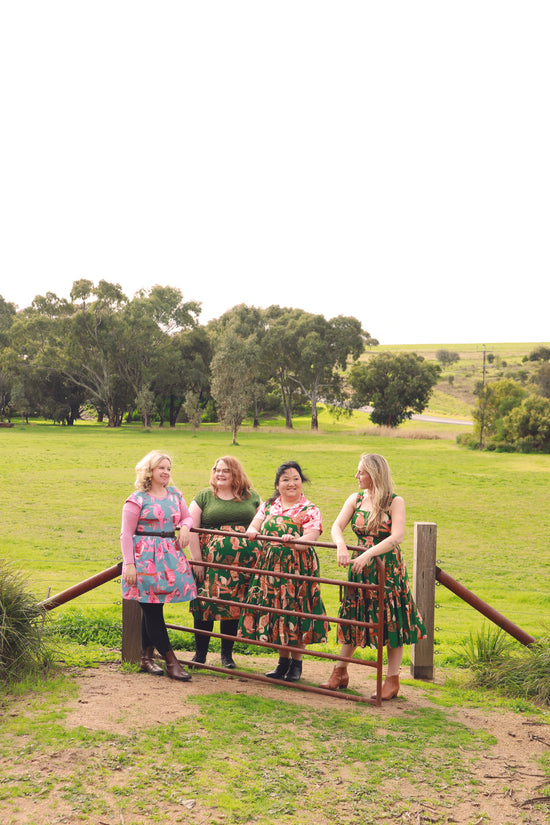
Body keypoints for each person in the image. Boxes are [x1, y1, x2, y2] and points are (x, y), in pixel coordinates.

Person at [320, 453, 426, 699]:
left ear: (375, 474)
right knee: (355, 616)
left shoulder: (394, 502)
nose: (356, 476)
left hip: (386, 568)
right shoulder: (355, 499)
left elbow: (396, 537)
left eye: (361, 472)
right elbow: (337, 526)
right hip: (359, 567)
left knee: (391, 620)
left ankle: (391, 680)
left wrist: (369, 554)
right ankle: (339, 671)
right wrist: (341, 546)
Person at [238, 461, 329, 683]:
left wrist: (295, 541)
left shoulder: (310, 509)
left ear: (301, 481)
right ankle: (282, 662)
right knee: (277, 611)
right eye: (285, 479)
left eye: (295, 478)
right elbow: (254, 526)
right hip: (270, 567)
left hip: (298, 568)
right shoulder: (269, 505)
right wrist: (252, 533)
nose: (291, 483)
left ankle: (296, 664)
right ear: (278, 484)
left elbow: (310, 539)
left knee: (297, 612)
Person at [121, 450, 197, 682]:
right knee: (152, 610)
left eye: (168, 468)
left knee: (154, 607)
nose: (166, 472)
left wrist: (184, 527)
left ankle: (146, 658)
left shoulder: (175, 495)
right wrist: (129, 564)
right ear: (150, 471)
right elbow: (126, 534)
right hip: (144, 560)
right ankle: (171, 661)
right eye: (161, 468)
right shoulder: (137, 499)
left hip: (168, 559)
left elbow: (187, 517)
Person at [188, 456, 261, 669]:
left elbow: (263, 522)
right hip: (210, 565)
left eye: (226, 470)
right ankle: (199, 655)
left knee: (233, 608)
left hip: (242, 567)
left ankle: (226, 656)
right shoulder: (204, 496)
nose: (220, 474)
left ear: (235, 474)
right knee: (205, 606)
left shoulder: (252, 497)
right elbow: (192, 529)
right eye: (217, 469)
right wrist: (197, 561)